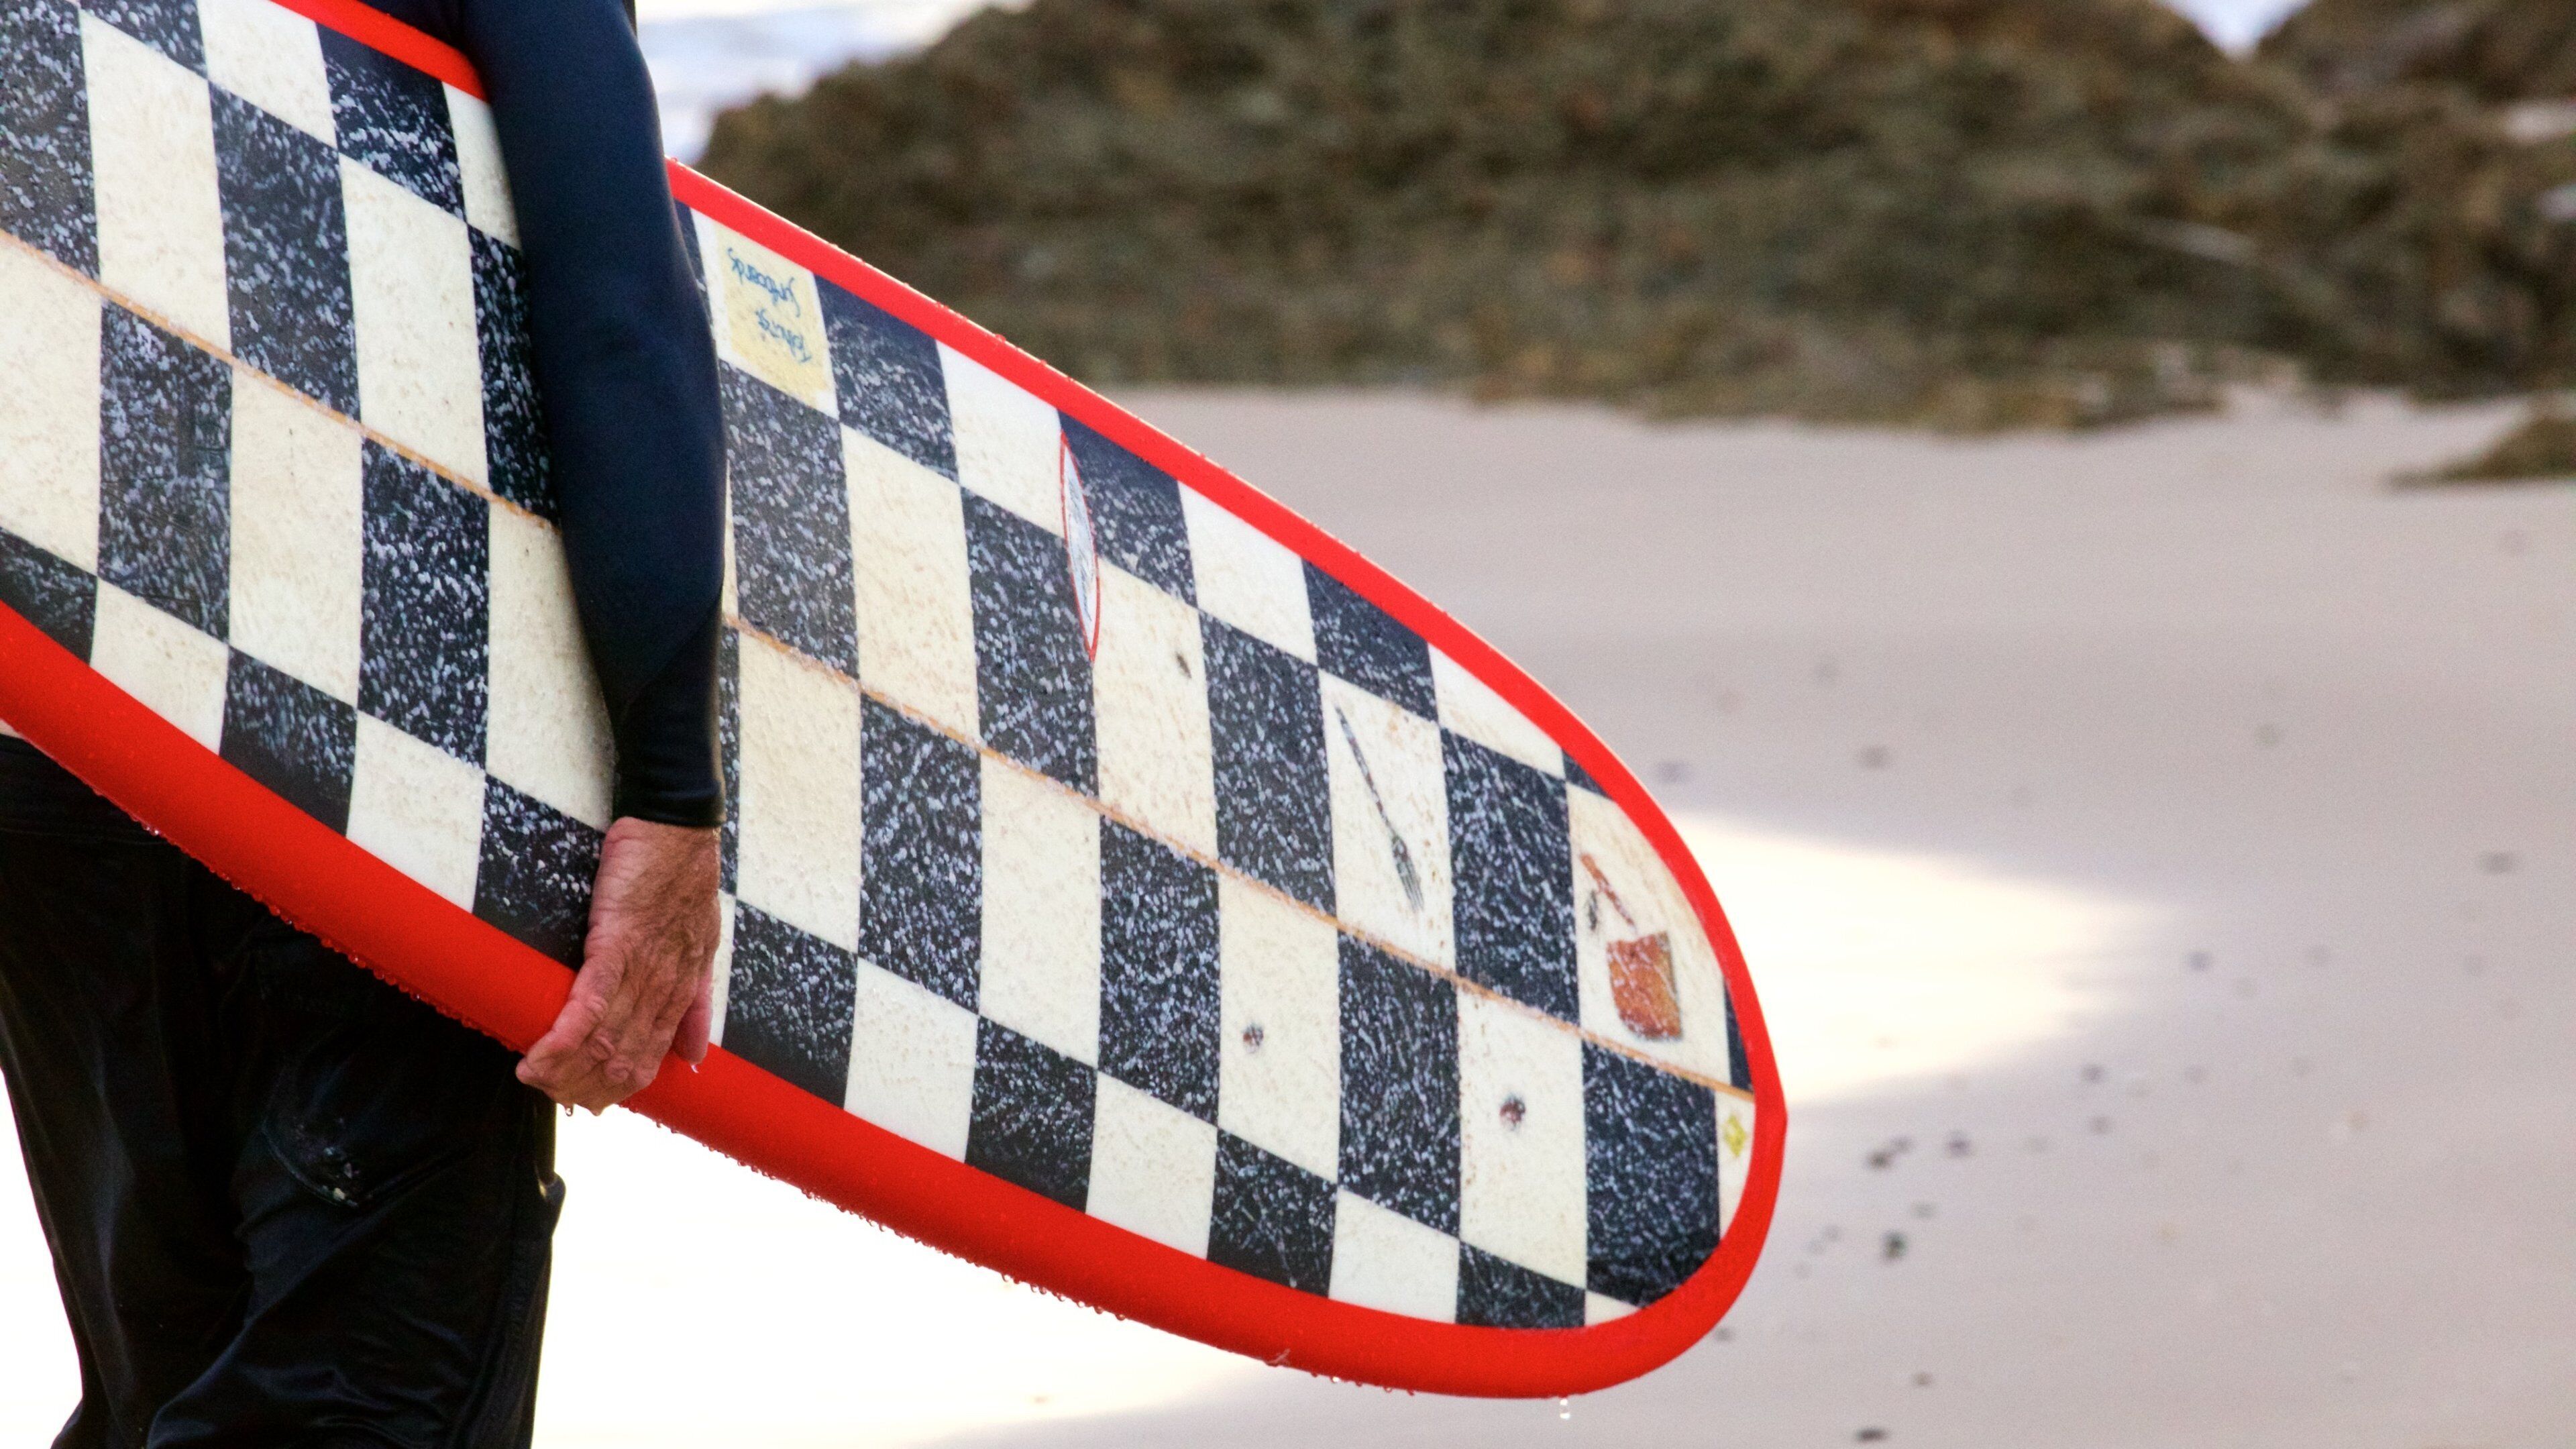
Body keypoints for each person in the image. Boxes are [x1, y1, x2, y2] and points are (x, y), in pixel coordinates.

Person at [0, 0, 727, 1442]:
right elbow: (617, 318)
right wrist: (670, 781)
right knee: (366, 1404)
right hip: (373, 770)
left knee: (169, 1379)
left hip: (56, 749)